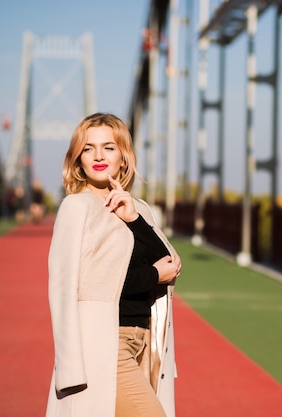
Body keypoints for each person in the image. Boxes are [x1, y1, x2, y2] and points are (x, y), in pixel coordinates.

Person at [46, 112, 181, 417]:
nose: (98, 155)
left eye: (108, 147)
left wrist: (133, 219)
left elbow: (170, 264)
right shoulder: (76, 207)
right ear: (77, 159)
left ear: (124, 157)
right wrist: (70, 365)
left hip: (143, 343)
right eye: (88, 148)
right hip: (103, 345)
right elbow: (68, 286)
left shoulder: (139, 210)